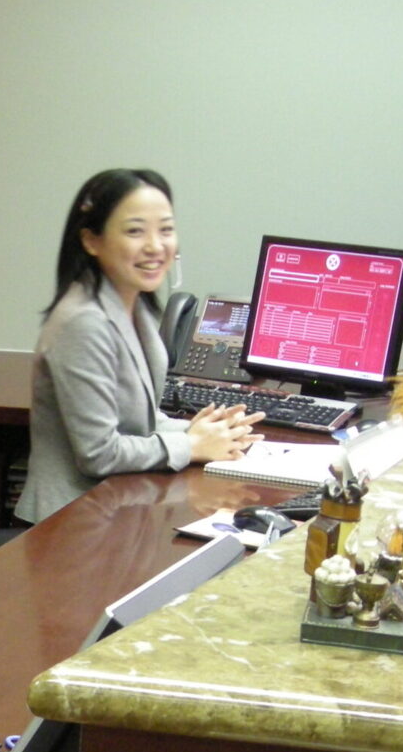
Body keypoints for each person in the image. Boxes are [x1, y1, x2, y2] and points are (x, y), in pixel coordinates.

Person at [14, 169, 264, 524]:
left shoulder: (135, 305)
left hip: (115, 510)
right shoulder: (83, 322)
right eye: (135, 231)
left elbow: (138, 422)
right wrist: (192, 446)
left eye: (165, 229)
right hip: (66, 525)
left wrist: (211, 433)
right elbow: (99, 453)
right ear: (91, 241)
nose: (155, 245)